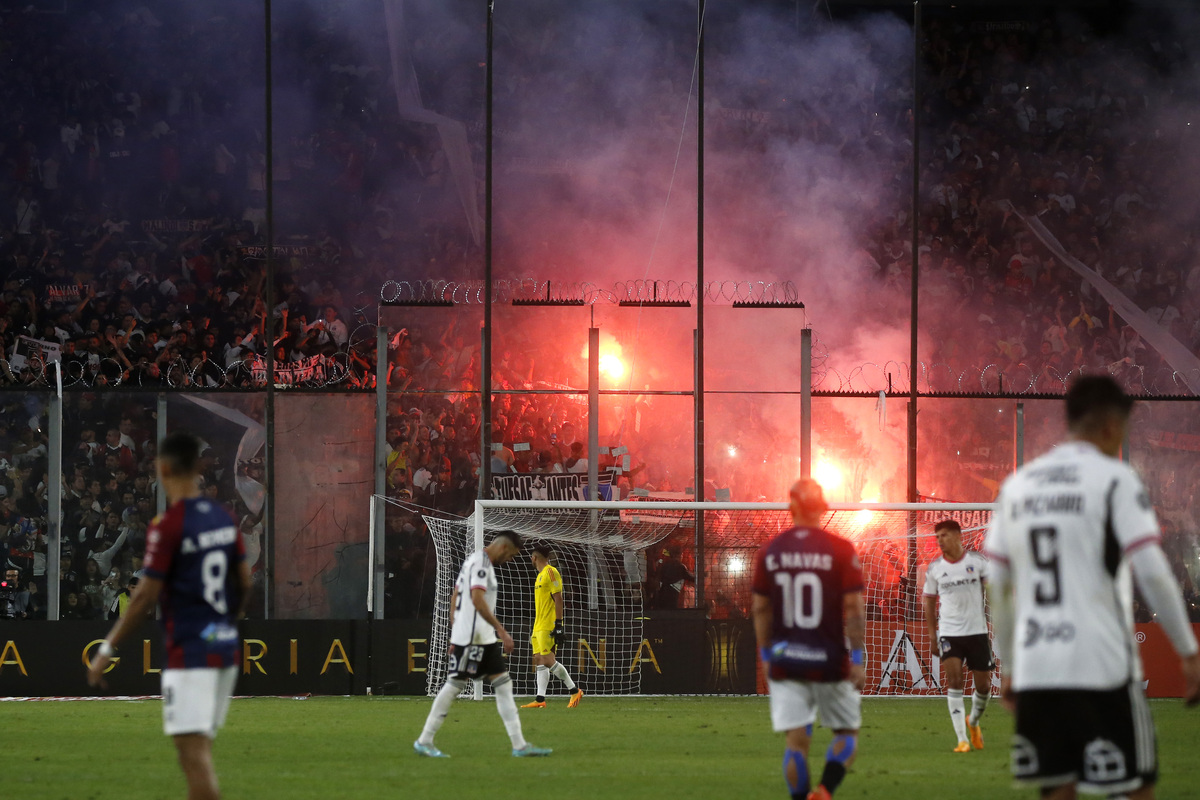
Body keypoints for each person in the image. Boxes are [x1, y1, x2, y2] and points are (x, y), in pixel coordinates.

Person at [984, 376, 1200, 800]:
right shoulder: (1113, 479)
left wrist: (1009, 664)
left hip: (1039, 665)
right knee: (1136, 787)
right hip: (1102, 662)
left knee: (1058, 790)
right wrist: (1189, 652)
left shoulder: (1018, 486)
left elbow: (999, 586)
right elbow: (1152, 571)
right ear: (1109, 425)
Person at [87, 431, 252, 800]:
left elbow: (144, 597)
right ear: (198, 468)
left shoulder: (169, 526)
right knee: (198, 751)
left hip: (191, 652)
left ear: (162, 469)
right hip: (224, 648)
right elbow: (244, 581)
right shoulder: (224, 520)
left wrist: (105, 649)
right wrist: (224, 623)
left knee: (193, 756)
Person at [752, 479, 866, 800]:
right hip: (830, 661)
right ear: (822, 507)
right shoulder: (841, 549)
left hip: (787, 660)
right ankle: (826, 790)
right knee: (846, 733)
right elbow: (855, 608)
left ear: (791, 508)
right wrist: (857, 660)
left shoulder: (770, 552)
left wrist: (765, 656)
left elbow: (760, 609)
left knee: (796, 743)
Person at [414, 529, 552, 758]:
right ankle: (424, 740)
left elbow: (456, 595)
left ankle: (519, 745)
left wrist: (454, 632)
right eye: (512, 555)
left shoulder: (473, 561)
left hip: (479, 637)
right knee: (456, 684)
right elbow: (476, 599)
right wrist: (501, 631)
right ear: (504, 548)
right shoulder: (480, 563)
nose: (510, 560)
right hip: (472, 638)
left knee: (503, 685)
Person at [922, 519, 993, 752]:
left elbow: (992, 592)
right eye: (938, 536)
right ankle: (962, 740)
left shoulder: (978, 563)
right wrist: (933, 636)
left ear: (958, 536)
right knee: (954, 682)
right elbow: (929, 602)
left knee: (983, 686)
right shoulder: (934, 569)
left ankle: (973, 722)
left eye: (944, 535)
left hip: (977, 631)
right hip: (950, 633)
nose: (940, 540)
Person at [520, 544, 583, 709]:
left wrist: (559, 624)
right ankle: (540, 699)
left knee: (548, 660)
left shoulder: (551, 571)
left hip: (548, 625)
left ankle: (574, 690)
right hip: (538, 625)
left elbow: (559, 598)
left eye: (531, 557)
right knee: (540, 660)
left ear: (534, 557)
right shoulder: (540, 576)